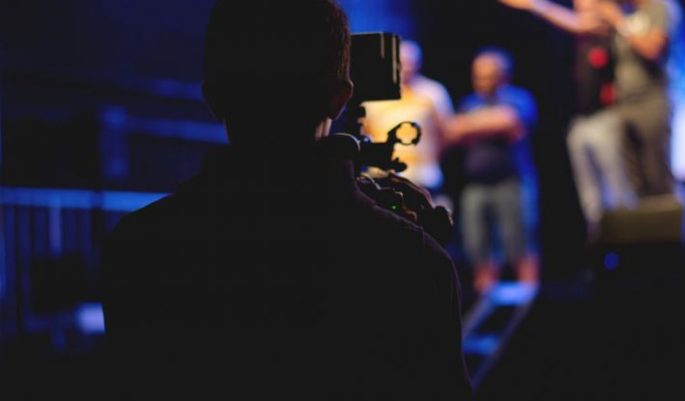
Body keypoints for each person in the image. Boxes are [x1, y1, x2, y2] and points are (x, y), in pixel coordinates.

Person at [101, 1, 472, 400]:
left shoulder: (138, 246)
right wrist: (426, 257)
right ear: (340, 98)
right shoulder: (413, 261)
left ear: (213, 97)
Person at [499, 0, 637, 235]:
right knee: (591, 196)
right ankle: (603, 246)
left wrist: (535, 5)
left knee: (617, 191)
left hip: (605, 119)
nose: (580, 3)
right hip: (579, 123)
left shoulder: (608, 25)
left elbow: (578, 23)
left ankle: (631, 240)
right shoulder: (574, 38)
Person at [447, 49, 538, 293]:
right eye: (478, 76)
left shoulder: (519, 98)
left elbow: (509, 122)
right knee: (478, 247)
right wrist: (484, 124)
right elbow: (453, 131)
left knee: (519, 242)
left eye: (489, 76)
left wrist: (471, 126)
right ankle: (485, 301)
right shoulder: (469, 103)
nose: (482, 82)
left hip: (511, 182)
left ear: (503, 76)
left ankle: (528, 299)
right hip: (476, 185)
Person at [598, 0, 680, 197]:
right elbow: (577, 24)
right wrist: (538, 7)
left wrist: (619, 22)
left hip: (651, 101)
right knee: (637, 186)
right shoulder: (627, 12)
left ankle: (674, 227)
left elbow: (652, 49)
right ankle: (650, 227)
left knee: (659, 178)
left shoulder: (660, 8)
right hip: (625, 106)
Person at [364, 40, 454, 194]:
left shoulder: (434, 92)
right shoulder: (375, 95)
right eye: (402, 62)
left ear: (419, 63)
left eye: (411, 62)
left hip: (424, 177)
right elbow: (366, 132)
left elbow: (446, 133)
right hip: (383, 177)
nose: (407, 67)